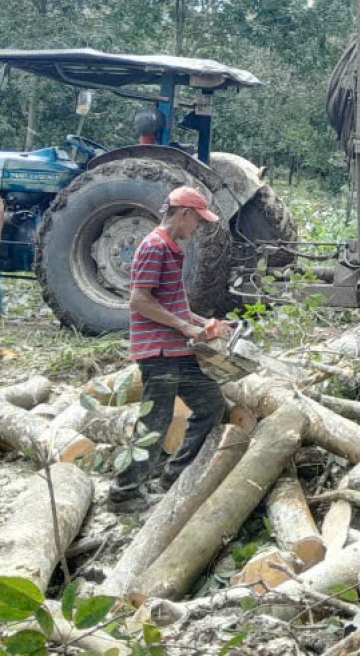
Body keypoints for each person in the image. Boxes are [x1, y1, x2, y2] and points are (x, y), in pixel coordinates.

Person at [107, 186, 232, 513]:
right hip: (158, 353)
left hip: (178, 351)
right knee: (155, 424)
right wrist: (186, 327)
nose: (198, 228)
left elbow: (172, 304)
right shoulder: (154, 246)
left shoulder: (170, 248)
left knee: (210, 403)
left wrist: (205, 322)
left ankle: (172, 478)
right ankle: (124, 493)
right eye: (197, 221)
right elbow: (139, 300)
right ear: (184, 213)